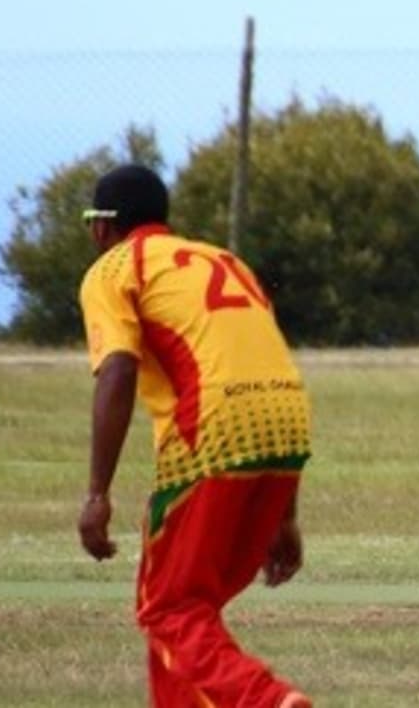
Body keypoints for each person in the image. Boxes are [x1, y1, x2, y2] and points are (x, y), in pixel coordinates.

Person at [73, 164, 313, 708]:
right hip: (289, 417)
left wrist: (96, 495)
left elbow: (117, 370)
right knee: (189, 615)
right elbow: (263, 359)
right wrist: (285, 514)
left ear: (103, 226)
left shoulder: (113, 269)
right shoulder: (224, 261)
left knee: (168, 608)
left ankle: (265, 700)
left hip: (211, 429)